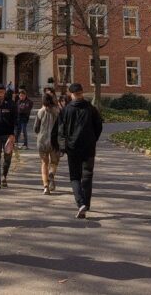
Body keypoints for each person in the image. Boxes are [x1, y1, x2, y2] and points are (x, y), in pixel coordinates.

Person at [57, 83, 103, 219]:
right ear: (82, 93)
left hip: (73, 147)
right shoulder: (91, 108)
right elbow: (99, 125)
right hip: (89, 147)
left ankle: (80, 203)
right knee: (88, 175)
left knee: (75, 177)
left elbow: (61, 130)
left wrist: (62, 146)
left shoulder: (66, 110)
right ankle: (86, 204)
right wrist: (93, 139)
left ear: (71, 95)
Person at [34, 92, 61, 195]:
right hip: (55, 142)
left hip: (42, 141)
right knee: (54, 163)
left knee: (44, 163)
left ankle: (45, 186)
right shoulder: (57, 111)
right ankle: (51, 173)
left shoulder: (40, 112)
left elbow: (36, 128)